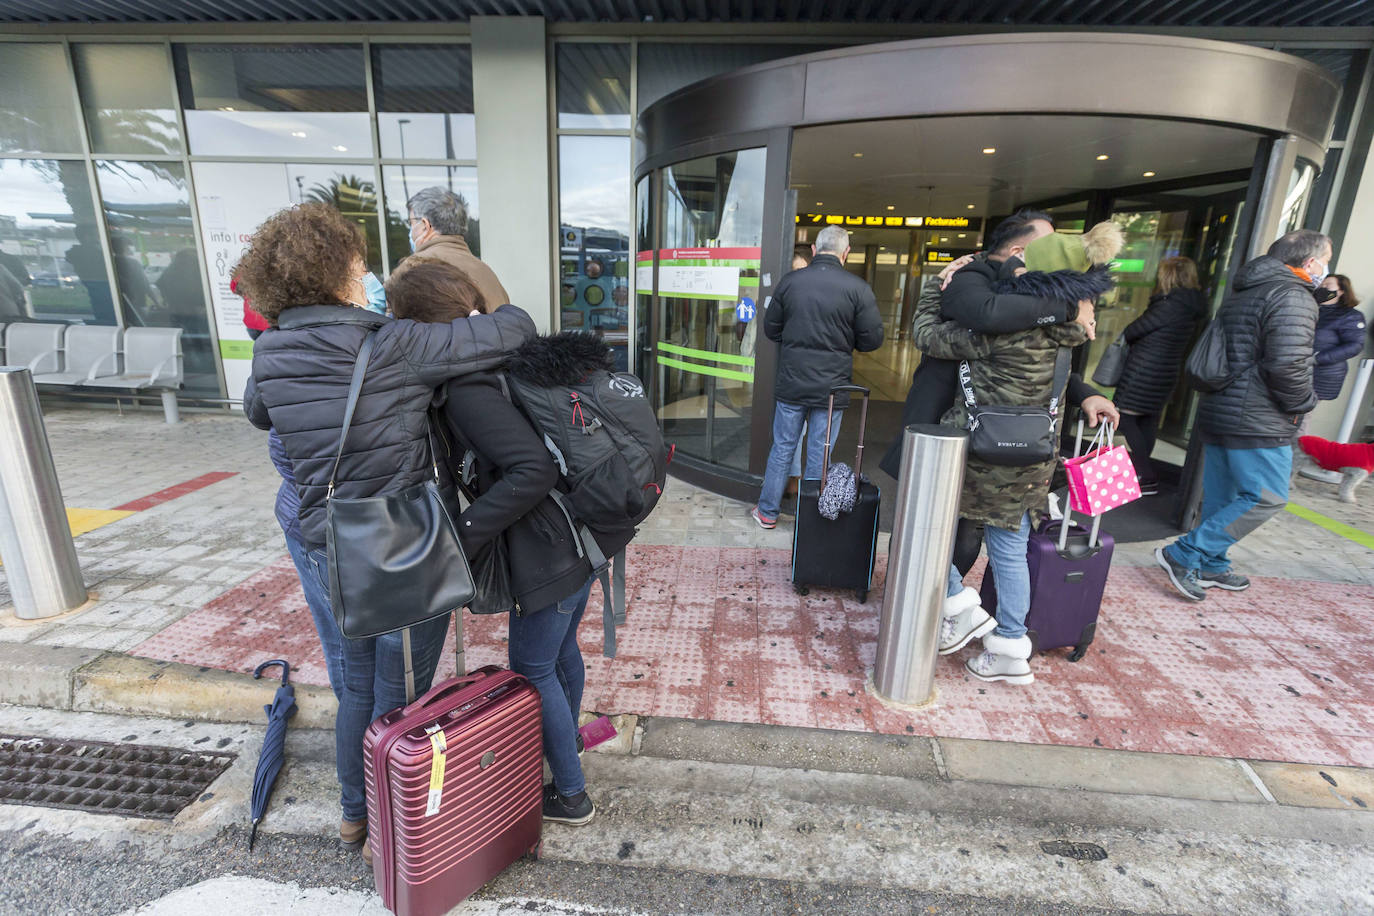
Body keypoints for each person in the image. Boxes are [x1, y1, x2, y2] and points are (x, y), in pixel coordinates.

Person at [239, 202, 536, 860]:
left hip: (315, 538)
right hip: (396, 544)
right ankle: (398, 821)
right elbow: (516, 327)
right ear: (344, 272)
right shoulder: (397, 344)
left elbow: (259, 414)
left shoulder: (270, 350)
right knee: (400, 692)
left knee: (353, 682)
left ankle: (354, 815)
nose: (370, 276)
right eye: (363, 266)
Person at [387, 260, 634, 827]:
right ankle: (565, 745)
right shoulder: (507, 358)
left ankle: (570, 794)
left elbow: (533, 471)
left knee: (533, 669)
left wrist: (465, 536)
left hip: (553, 546)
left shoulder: (470, 386)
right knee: (559, 654)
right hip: (589, 531)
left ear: (419, 326)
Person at [915, 228, 1113, 684]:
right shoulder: (1072, 332)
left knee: (924, 527)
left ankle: (958, 604)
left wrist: (936, 284)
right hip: (1032, 457)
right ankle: (1009, 647)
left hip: (977, 455)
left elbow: (927, 335)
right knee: (1009, 548)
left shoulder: (997, 332)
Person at [895, 212, 1118, 577]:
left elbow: (1036, 358)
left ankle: (947, 605)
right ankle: (994, 624)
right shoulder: (975, 279)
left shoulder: (1024, 307)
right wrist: (1070, 306)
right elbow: (989, 314)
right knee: (960, 535)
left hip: (987, 443)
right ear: (1017, 250)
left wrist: (1085, 392)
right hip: (987, 439)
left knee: (951, 535)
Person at [1155, 230, 1329, 602]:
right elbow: (1286, 364)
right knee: (1267, 497)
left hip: (1222, 410)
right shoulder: (1292, 295)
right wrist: (1304, 402)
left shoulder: (1248, 289)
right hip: (1258, 416)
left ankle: (1212, 562)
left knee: (1226, 494)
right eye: (1326, 260)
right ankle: (1184, 553)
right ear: (1310, 262)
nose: (1326, 268)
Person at [751, 225, 884, 529]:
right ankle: (808, 519)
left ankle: (768, 512)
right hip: (832, 389)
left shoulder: (790, 283)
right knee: (820, 453)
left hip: (792, 384)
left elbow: (771, 329)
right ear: (846, 253)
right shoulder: (858, 288)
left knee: (783, 447)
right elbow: (872, 340)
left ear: (813, 250)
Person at [1111, 256, 1207, 495]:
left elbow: (1133, 330)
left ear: (1168, 276)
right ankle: (1141, 475)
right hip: (1167, 371)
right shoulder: (1192, 305)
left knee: (1123, 416)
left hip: (1144, 370)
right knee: (1148, 420)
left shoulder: (1169, 304)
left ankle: (1146, 474)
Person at [393, 186, 509, 310]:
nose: (410, 230)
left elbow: (386, 320)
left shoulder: (410, 270)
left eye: (411, 223)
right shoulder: (487, 273)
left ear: (425, 226)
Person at [1313, 273, 1366, 402]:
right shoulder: (1311, 310)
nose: (1323, 288)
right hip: (1300, 371)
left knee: (1299, 417)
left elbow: (1355, 345)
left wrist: (1316, 358)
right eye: (1321, 285)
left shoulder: (1350, 316)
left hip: (1322, 374)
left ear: (1341, 291)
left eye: (1328, 285)